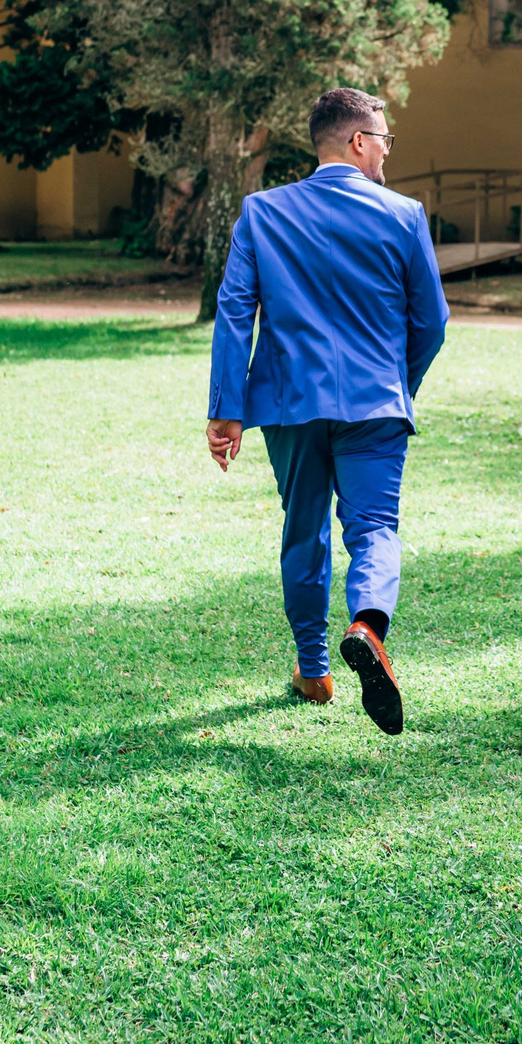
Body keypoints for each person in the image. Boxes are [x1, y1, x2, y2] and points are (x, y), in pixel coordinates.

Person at [207, 88, 449, 734]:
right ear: (358, 142)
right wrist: (400, 384)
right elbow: (432, 321)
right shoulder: (403, 214)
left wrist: (226, 409)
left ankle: (314, 669)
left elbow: (235, 313)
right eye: (386, 139)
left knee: (304, 530)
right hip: (375, 400)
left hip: (288, 402)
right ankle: (367, 625)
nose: (388, 151)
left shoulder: (261, 212)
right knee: (374, 528)